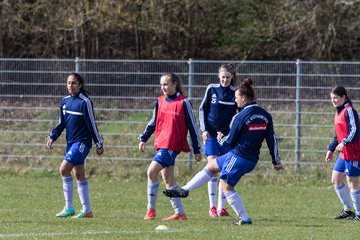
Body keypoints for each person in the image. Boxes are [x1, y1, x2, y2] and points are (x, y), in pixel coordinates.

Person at [163, 77, 283, 225]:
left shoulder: (240, 117)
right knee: (211, 166)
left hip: (239, 156)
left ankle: (244, 218)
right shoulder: (265, 115)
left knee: (225, 186)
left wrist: (220, 138)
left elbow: (229, 141)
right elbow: (272, 138)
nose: (235, 100)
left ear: (244, 98)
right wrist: (275, 160)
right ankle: (185, 190)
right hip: (249, 158)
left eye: (237, 97)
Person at [139, 72, 202, 221]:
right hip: (161, 144)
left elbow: (192, 126)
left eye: (166, 84)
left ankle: (151, 210)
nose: (163, 87)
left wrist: (197, 149)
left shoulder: (184, 102)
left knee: (151, 172)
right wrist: (144, 138)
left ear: (175, 84)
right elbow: (153, 122)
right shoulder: (160, 101)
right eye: (161, 84)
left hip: (172, 145)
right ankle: (180, 213)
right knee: (168, 180)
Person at [47, 73, 104, 218]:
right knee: (78, 174)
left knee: (63, 169)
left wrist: (98, 142)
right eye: (68, 83)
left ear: (80, 85)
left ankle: (69, 207)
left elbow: (91, 124)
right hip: (71, 143)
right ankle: (87, 210)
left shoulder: (85, 102)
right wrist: (53, 136)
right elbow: (61, 124)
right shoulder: (64, 102)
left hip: (82, 143)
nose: (70, 86)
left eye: (73, 83)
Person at [198, 63, 238, 217]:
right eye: (223, 77)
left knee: (225, 171)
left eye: (228, 77)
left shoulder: (236, 93)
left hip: (227, 138)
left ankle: (222, 208)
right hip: (212, 136)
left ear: (232, 77)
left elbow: (239, 116)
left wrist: (234, 134)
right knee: (212, 169)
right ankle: (212, 207)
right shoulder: (212, 89)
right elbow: (202, 109)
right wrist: (204, 130)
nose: (225, 80)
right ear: (218, 76)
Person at [325, 86, 360, 221]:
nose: (333, 100)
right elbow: (338, 134)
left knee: (352, 183)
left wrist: (344, 142)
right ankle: (348, 210)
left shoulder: (349, 111)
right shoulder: (338, 112)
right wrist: (331, 149)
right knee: (336, 180)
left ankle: (359, 213)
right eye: (331, 98)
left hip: (353, 153)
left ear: (344, 97)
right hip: (343, 154)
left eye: (336, 98)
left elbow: (355, 130)